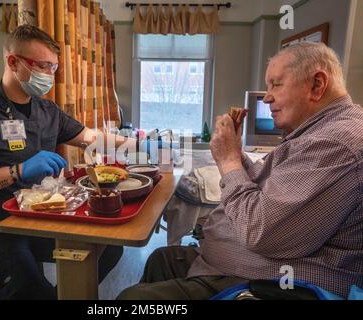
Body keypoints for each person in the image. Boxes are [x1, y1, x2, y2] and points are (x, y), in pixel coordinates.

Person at [117, 42, 363, 299]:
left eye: (276, 84)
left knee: (133, 300)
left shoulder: (337, 144)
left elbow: (263, 232)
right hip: (233, 264)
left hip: (273, 286)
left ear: (317, 85)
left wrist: (229, 161)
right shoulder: (317, 133)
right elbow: (273, 189)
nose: (266, 97)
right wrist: (236, 155)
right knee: (161, 259)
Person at [0, 25, 133, 300]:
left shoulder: (46, 110)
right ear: (13, 61)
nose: (49, 75)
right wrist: (17, 171)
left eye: (53, 68)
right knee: (31, 288)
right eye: (42, 66)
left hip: (35, 220)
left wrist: (137, 145)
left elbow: (89, 136)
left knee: (108, 247)